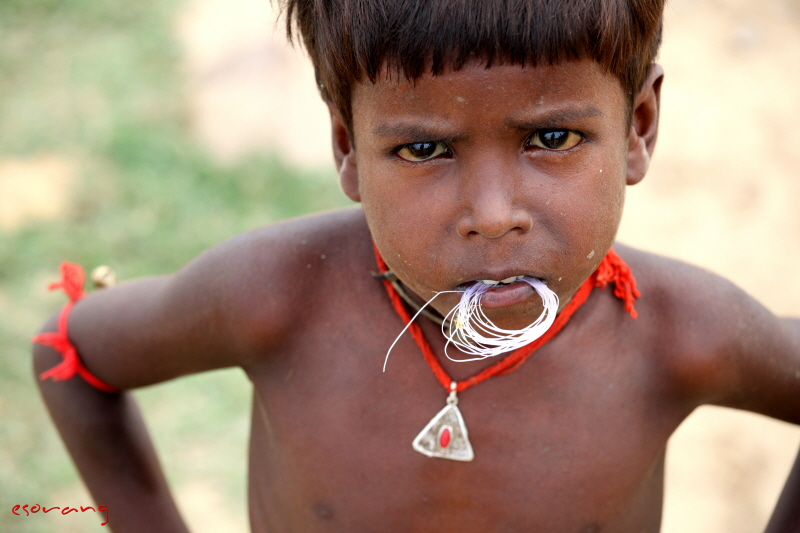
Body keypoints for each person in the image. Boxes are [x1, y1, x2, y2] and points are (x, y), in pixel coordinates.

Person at [32, 0, 800, 531]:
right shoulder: (275, 296)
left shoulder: (679, 333)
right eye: (425, 149)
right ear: (348, 149)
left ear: (638, 126)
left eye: (554, 138)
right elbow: (68, 354)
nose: (495, 213)